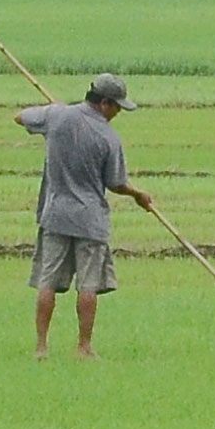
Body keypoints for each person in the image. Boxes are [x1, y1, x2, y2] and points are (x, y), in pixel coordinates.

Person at [15, 73, 155, 359]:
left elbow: (20, 117)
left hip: (54, 213)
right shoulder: (108, 138)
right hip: (90, 219)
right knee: (88, 285)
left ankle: (41, 347)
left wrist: (58, 115)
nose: (118, 113)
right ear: (104, 103)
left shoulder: (56, 116)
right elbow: (115, 183)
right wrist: (137, 194)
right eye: (117, 107)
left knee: (47, 281)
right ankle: (84, 347)